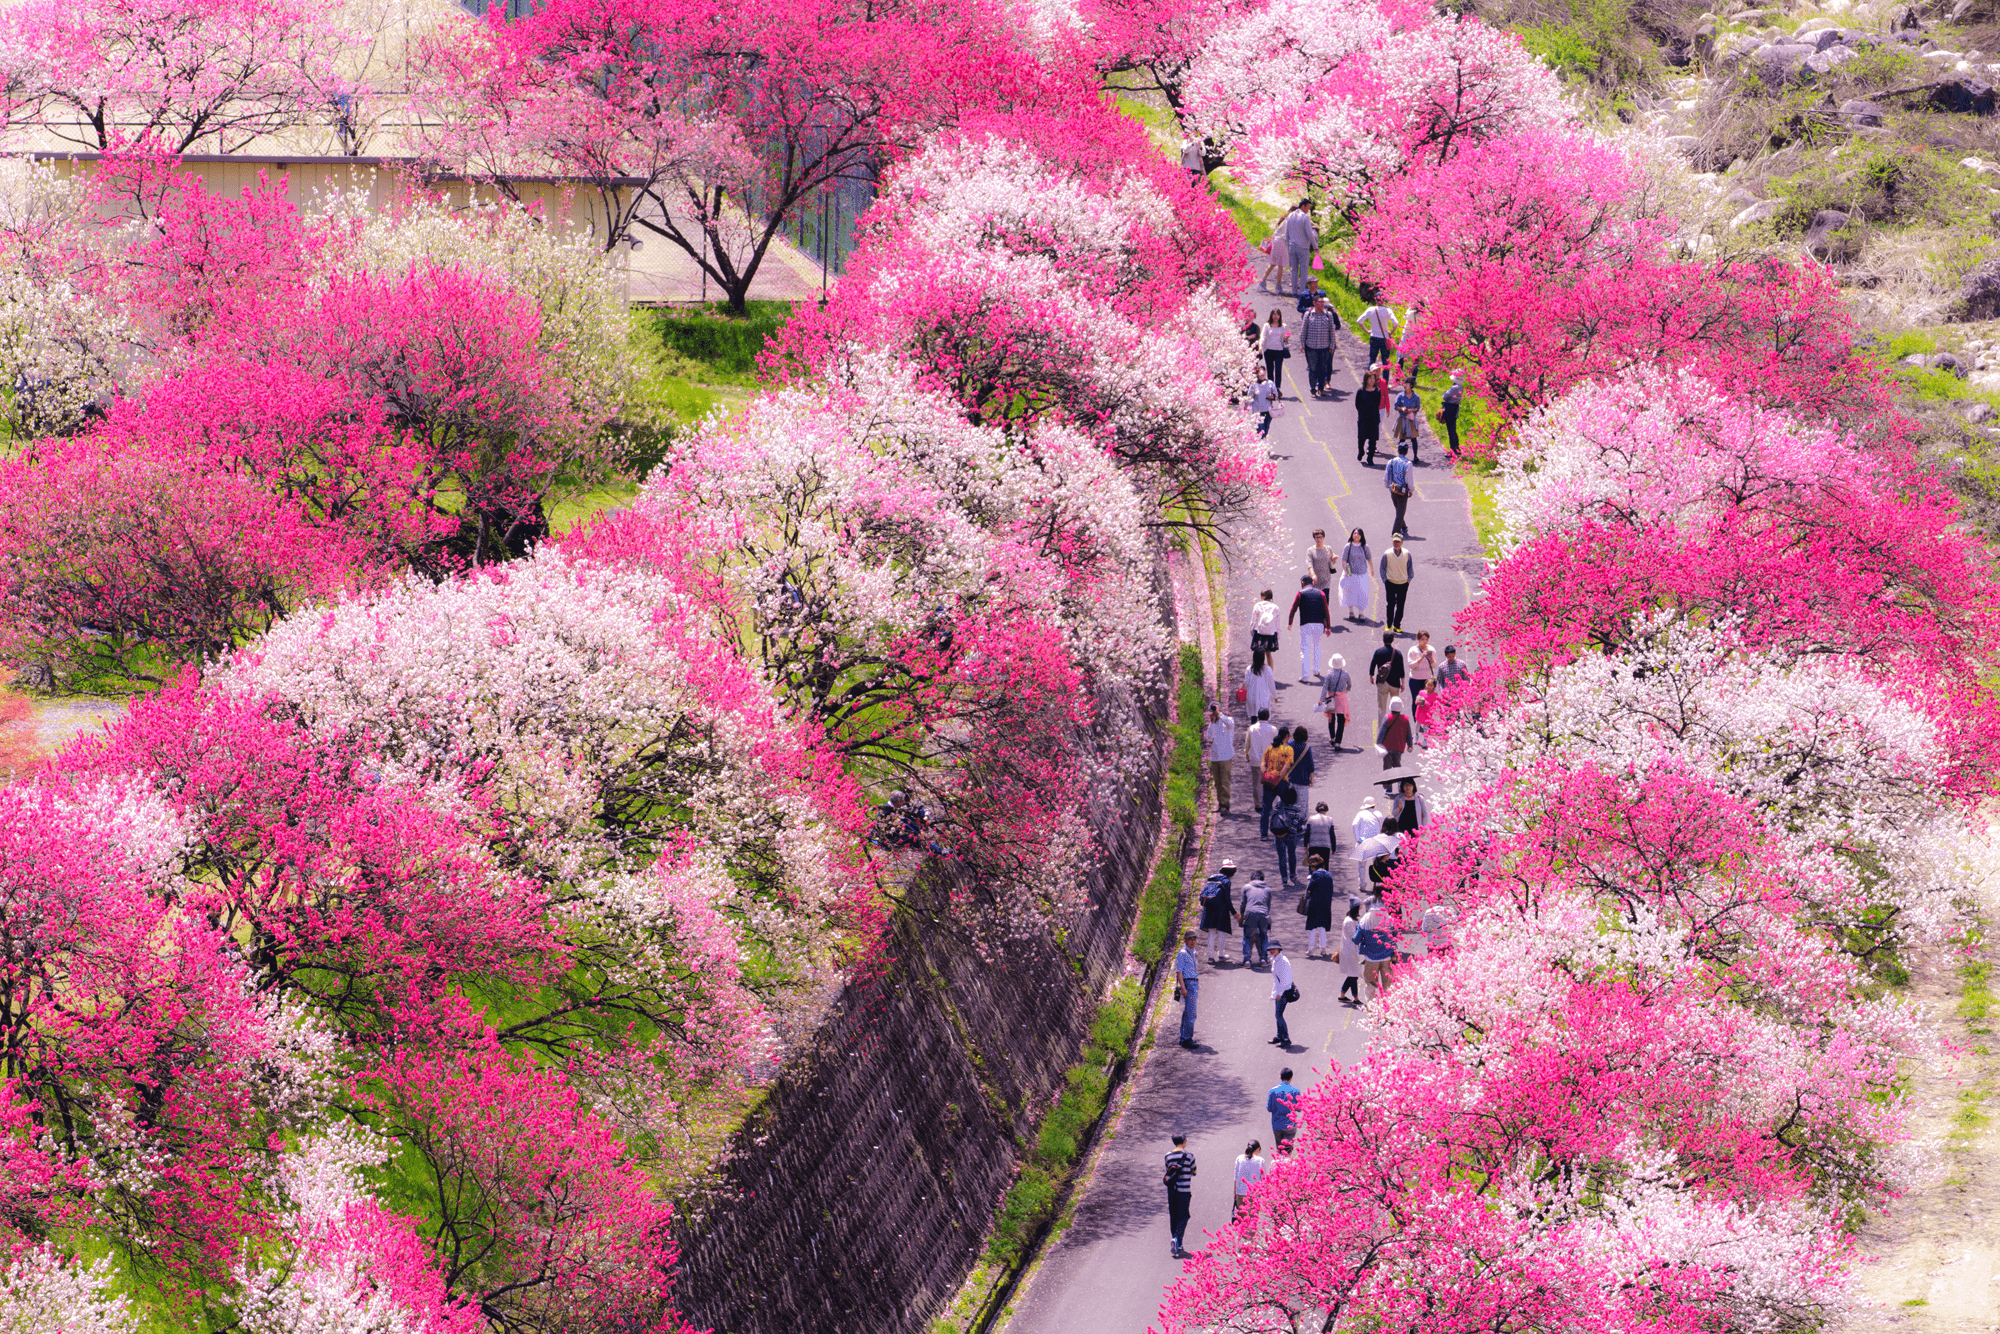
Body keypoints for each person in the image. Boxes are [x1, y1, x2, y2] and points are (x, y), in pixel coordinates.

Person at [1287, 575, 1331, 682]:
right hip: (1319, 624)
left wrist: (1290, 622)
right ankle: (1316, 670)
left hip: (1305, 624)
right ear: (1313, 582)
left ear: (1303, 583)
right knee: (1317, 647)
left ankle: (1305, 675)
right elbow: (1326, 610)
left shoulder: (1300, 593)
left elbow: (1293, 608)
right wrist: (1328, 626)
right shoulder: (1321, 593)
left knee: (1305, 650)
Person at [1163, 1134, 1197, 1257]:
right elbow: (1194, 1171)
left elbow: (1168, 1171)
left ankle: (1177, 1242)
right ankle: (1177, 1238)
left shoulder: (1167, 1156)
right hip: (1184, 1191)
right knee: (1184, 1216)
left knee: (1174, 1216)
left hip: (1172, 1191)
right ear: (1183, 1141)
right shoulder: (1189, 1156)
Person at [1256, 725, 1293, 839]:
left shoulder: (1269, 749)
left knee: (1266, 808)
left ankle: (1264, 834)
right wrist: (1278, 777)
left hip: (1269, 782)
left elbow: (1262, 765)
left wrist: (1266, 775)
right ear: (1286, 737)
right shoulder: (1288, 749)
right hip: (1281, 782)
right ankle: (1286, 829)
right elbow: (1287, 766)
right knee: (1287, 805)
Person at [1301, 295, 1341, 397]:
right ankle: (1313, 389)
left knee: (1323, 368)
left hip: (1325, 347)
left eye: (1323, 302)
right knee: (1312, 368)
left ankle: (1321, 388)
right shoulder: (1308, 314)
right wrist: (1302, 344)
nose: (1322, 304)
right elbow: (1303, 331)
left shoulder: (1328, 315)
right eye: (1320, 302)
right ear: (1314, 303)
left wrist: (1332, 344)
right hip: (1311, 346)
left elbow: (1332, 331)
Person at [1199, 859, 1237, 961]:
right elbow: (1227, 899)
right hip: (1221, 910)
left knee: (1211, 932)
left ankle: (1210, 957)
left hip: (1209, 909)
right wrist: (1234, 912)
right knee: (1221, 933)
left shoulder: (1211, 878)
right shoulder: (1226, 881)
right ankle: (1221, 955)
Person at [1203, 704, 1236, 816]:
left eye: (1215, 709)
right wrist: (1212, 722)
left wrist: (1219, 714)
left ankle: (1225, 805)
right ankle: (1220, 804)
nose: (1213, 712)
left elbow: (1230, 724)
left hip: (1226, 756)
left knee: (1225, 781)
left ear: (1221, 709)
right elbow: (1208, 737)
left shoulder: (1228, 720)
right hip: (1215, 756)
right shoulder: (1213, 723)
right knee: (1218, 783)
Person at [1281, 199, 1318, 296]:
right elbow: (1310, 234)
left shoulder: (1290, 216)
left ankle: (1294, 291)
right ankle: (1302, 292)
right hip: (1303, 247)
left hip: (1292, 246)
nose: (1308, 210)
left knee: (1293, 269)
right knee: (1304, 270)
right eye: (1308, 208)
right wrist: (1315, 246)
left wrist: (1288, 244)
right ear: (1303, 206)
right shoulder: (1305, 218)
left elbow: (1287, 232)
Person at [1302, 855, 1338, 956]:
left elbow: (1309, 888)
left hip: (1315, 904)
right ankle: (1323, 949)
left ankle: (1311, 949)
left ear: (1314, 865)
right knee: (1322, 927)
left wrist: (1308, 881)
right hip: (1326, 904)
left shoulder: (1315, 875)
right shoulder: (1328, 875)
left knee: (1312, 927)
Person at [1270, 786, 1305, 885]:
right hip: (1291, 835)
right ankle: (1293, 875)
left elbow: (1274, 815)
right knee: (1291, 854)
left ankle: (1284, 879)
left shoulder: (1279, 805)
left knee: (1281, 857)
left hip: (1279, 834)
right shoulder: (1297, 808)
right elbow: (1296, 822)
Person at [1357, 905, 1395, 997]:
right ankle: (1388, 1005)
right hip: (1386, 957)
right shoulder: (1388, 919)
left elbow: (1357, 938)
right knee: (1388, 984)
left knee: (1370, 983)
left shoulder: (1365, 921)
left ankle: (1372, 1005)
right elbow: (1395, 934)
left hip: (1371, 958)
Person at [1379, 535, 1414, 632]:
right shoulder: (1387, 553)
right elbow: (1382, 568)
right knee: (1390, 604)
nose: (1396, 544)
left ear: (1402, 542)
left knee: (1400, 605)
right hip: (1390, 582)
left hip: (1403, 583)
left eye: (1398, 542)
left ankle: (1397, 625)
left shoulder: (1407, 553)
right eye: (1395, 542)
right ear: (1392, 542)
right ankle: (1389, 624)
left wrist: (1408, 581)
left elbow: (1410, 568)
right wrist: (1385, 580)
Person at [1368, 632, 1404, 722]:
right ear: (1393, 640)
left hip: (1382, 682)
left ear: (1382, 639)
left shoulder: (1378, 651)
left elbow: (1372, 665)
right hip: (1395, 684)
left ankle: (1382, 732)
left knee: (1382, 709)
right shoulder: (1398, 653)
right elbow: (1401, 670)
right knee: (1396, 709)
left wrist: (1371, 676)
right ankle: (1394, 728)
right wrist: (1402, 683)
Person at [1317, 656, 1352, 749]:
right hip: (1341, 699)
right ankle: (1338, 743)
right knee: (1341, 720)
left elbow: (1325, 687)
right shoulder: (1345, 674)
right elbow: (1349, 685)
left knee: (1331, 718)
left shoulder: (1329, 674)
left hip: (1331, 699)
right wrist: (1346, 690)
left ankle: (1332, 737)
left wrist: (1321, 699)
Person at [1239, 872, 1273, 966]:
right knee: (1263, 936)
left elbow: (1242, 904)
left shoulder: (1246, 887)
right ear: (1262, 878)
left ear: (1251, 878)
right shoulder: (1268, 889)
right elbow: (1268, 906)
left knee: (1247, 936)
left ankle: (1246, 961)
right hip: (1263, 914)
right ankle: (1263, 959)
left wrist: (1242, 918)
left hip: (1250, 913)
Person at [1338, 528, 1371, 622]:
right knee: (1350, 593)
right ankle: (1351, 612)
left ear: (1361, 536)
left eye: (1358, 534)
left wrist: (1372, 570)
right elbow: (1344, 560)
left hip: (1362, 574)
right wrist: (1346, 572)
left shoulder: (1365, 546)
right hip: (1350, 574)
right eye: (1355, 533)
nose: (1356, 535)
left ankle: (1361, 613)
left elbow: (1369, 558)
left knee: (1362, 594)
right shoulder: (1348, 546)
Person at [1383, 445, 1415, 541]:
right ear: (1407, 451)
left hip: (1393, 490)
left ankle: (1404, 527)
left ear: (1398, 450)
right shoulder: (1408, 464)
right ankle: (1395, 532)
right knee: (1401, 512)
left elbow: (1386, 476)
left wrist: (1387, 486)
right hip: (1402, 491)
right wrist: (1411, 490)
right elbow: (1409, 479)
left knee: (1399, 510)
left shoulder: (1391, 462)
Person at [1267, 1068, 1302, 1154]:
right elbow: (1299, 1108)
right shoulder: (1296, 1091)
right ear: (1291, 1077)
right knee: (1288, 1150)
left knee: (1280, 1150)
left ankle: (1280, 1165)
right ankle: (1288, 1165)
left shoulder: (1272, 1091)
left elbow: (1269, 1108)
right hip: (1290, 1125)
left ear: (1280, 1077)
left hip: (1277, 1125)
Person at [1405, 630, 1439, 718]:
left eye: (1426, 639)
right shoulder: (1413, 650)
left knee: (1428, 700)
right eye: (1422, 639)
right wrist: (1421, 658)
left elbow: (1435, 665)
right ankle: (1416, 719)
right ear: (1418, 639)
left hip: (1427, 679)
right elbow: (1411, 665)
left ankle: (1427, 719)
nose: (1424, 641)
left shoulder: (1431, 649)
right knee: (1416, 701)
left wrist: (1431, 658)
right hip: (1415, 680)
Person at [1337, 902, 1364, 1005]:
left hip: (1352, 950)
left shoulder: (1352, 920)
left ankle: (1342, 995)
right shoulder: (1349, 921)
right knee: (1353, 974)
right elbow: (1354, 937)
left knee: (1353, 974)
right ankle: (1356, 998)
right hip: (1350, 951)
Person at [1358, 301, 1400, 367]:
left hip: (1374, 337)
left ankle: (1369, 376)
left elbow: (1359, 321)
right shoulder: (1387, 310)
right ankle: (1385, 377)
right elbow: (1396, 323)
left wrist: (1367, 331)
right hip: (1384, 338)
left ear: (1375, 299)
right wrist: (1391, 332)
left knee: (1372, 360)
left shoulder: (1370, 309)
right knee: (1385, 362)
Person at [1269, 942, 1295, 1046]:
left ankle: (1285, 1039)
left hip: (1283, 993)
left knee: (1279, 1015)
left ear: (1279, 949)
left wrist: (1279, 993)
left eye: (1274, 949)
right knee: (1278, 1015)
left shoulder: (1282, 962)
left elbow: (1285, 980)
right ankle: (1279, 1036)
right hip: (1279, 992)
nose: (1272, 951)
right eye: (1270, 949)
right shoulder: (1276, 959)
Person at [1354, 370, 1382, 465]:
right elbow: (1357, 404)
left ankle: (1370, 458)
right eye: (1370, 378)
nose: (1372, 380)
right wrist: (1362, 411)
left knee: (1373, 439)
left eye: (1374, 378)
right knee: (1361, 437)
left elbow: (1377, 403)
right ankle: (1361, 451)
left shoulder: (1377, 391)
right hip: (1363, 418)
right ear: (1366, 380)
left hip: (1373, 417)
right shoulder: (1361, 391)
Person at [1232, 1140, 1265, 1222]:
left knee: (1242, 1221)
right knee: (1252, 1222)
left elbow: (1236, 1178)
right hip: (1253, 1195)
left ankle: (1242, 1235)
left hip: (1240, 1194)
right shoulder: (1260, 1160)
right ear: (1258, 1149)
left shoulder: (1239, 1158)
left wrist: (1235, 1193)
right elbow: (1264, 1179)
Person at [1377, 696, 1413, 771]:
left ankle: (1387, 782)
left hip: (1387, 748)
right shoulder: (1405, 719)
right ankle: (1400, 781)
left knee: (1387, 768)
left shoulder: (1388, 717)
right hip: (1399, 748)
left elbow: (1382, 732)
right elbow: (1408, 734)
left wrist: (1378, 743)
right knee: (1397, 765)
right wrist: (1410, 745)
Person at [1260, 308, 1290, 394]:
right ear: (1271, 315)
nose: (1276, 316)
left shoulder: (1283, 326)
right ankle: (1270, 387)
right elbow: (1263, 336)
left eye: (1277, 314)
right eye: (1274, 314)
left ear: (1280, 316)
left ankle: (1277, 387)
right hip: (1268, 350)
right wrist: (1261, 346)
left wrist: (1286, 337)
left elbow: (1284, 338)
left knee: (1278, 370)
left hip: (1279, 350)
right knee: (1270, 370)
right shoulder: (1267, 325)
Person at [1245, 709, 1277, 788]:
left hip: (1255, 760)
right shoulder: (1273, 729)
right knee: (1270, 785)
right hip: (1270, 762)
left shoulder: (1252, 728)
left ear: (1257, 717)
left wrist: (1247, 753)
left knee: (1257, 785)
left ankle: (1258, 801)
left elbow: (1247, 744)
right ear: (1268, 717)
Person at [1392, 380, 1421, 464]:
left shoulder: (1416, 397)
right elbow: (1396, 406)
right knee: (1402, 439)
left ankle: (1415, 456)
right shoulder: (1400, 396)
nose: (1404, 385)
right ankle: (1400, 456)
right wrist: (1402, 409)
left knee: (1413, 438)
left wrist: (1412, 410)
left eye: (1407, 384)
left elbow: (1417, 407)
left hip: (1411, 419)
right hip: (1403, 418)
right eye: (1404, 383)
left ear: (1411, 385)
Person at [1243, 649, 1277, 719]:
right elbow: (1271, 685)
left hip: (1251, 697)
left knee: (1253, 717)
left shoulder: (1249, 669)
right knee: (1263, 719)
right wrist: (1275, 696)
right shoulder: (1267, 669)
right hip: (1263, 698)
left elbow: (1246, 683)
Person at [1305, 801, 1338, 868]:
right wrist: (1334, 848)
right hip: (1325, 846)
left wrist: (1305, 844)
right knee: (1325, 866)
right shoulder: (1330, 820)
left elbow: (1307, 833)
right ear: (1326, 810)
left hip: (1313, 846)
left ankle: (1311, 877)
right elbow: (1332, 835)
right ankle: (1325, 877)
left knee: (1313, 865)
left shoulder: (1311, 819)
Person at [1286, 725, 1315, 799]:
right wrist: (1311, 779)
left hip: (1289, 779)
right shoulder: (1307, 749)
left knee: (1288, 804)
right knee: (1302, 806)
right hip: (1303, 781)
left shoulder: (1288, 745)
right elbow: (1310, 766)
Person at [1249, 589, 1280, 656]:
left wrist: (1251, 630)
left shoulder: (1258, 605)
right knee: (1269, 654)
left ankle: (1259, 666)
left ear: (1263, 596)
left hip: (1258, 631)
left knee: (1258, 653)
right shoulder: (1275, 607)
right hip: (1271, 632)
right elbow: (1277, 623)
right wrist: (1278, 634)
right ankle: (1270, 667)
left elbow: (1254, 619)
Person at [1248, 370, 1278, 439]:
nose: (1262, 376)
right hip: (1258, 411)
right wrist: (1248, 406)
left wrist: (1272, 396)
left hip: (1268, 411)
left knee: (1266, 428)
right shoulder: (1254, 385)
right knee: (1261, 429)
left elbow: (1276, 395)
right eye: (1261, 375)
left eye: (1264, 375)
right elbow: (1249, 396)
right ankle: (1260, 445)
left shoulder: (1270, 383)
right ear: (1257, 374)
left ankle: (1260, 441)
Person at [1304, 528, 1335, 593]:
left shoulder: (1328, 549)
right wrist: (1313, 575)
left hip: (1326, 580)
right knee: (1315, 602)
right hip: (1314, 581)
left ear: (1323, 537)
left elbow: (1331, 563)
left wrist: (1334, 560)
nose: (1318, 539)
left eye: (1320, 537)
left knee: (1325, 601)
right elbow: (1309, 565)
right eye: (1316, 537)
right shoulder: (1310, 550)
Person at [1440, 371, 1464, 457]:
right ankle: (1456, 448)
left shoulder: (1454, 388)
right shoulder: (1460, 387)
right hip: (1455, 408)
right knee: (1453, 429)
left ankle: (1453, 450)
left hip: (1450, 408)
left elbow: (1445, 396)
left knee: (1451, 430)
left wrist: (1444, 392)